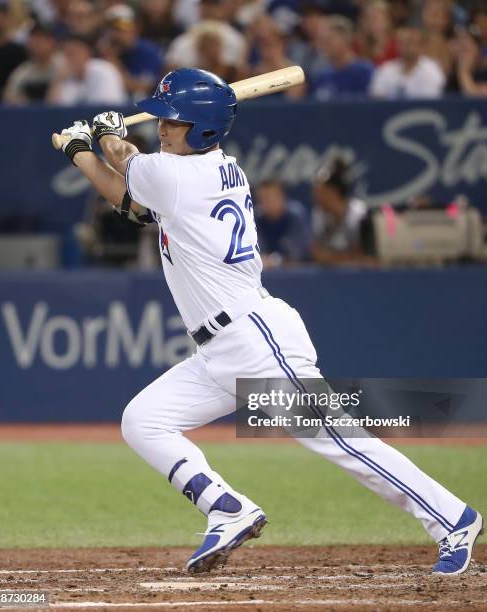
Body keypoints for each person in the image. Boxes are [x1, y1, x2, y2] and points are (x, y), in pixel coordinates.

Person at [57, 67, 483, 576]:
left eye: (173, 120)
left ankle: (452, 518)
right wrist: (97, 142)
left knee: (342, 441)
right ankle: (226, 507)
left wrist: (91, 140)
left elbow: (124, 175)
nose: (164, 127)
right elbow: (131, 189)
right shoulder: (202, 171)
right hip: (219, 350)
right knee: (144, 420)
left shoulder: (174, 176)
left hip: (256, 338)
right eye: (165, 120)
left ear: (202, 129)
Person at [312, 158, 374, 266]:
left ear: (333, 192)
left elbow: (361, 256)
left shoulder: (360, 213)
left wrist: (330, 257)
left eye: (320, 192)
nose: (316, 197)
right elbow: (318, 254)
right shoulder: (318, 214)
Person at [46, 33, 127, 105]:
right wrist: (58, 80)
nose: (70, 58)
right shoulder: (67, 77)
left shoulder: (102, 69)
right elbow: (53, 110)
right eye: (66, 53)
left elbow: (106, 107)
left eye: (74, 52)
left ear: (87, 53)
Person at [370, 24, 445, 98]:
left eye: (410, 42)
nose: (405, 46)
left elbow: (432, 101)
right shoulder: (386, 69)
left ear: (421, 46)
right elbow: (376, 99)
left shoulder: (432, 70)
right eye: (401, 43)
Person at [308, 15, 374, 100]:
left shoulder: (364, 71)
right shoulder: (320, 76)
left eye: (329, 40)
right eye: (322, 41)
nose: (325, 45)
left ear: (346, 39)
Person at [255, 178, 311, 266]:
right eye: (263, 199)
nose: (267, 203)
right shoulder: (256, 218)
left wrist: (275, 260)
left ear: (282, 197)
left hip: (297, 275)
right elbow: (254, 252)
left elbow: (300, 252)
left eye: (271, 198)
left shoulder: (296, 215)